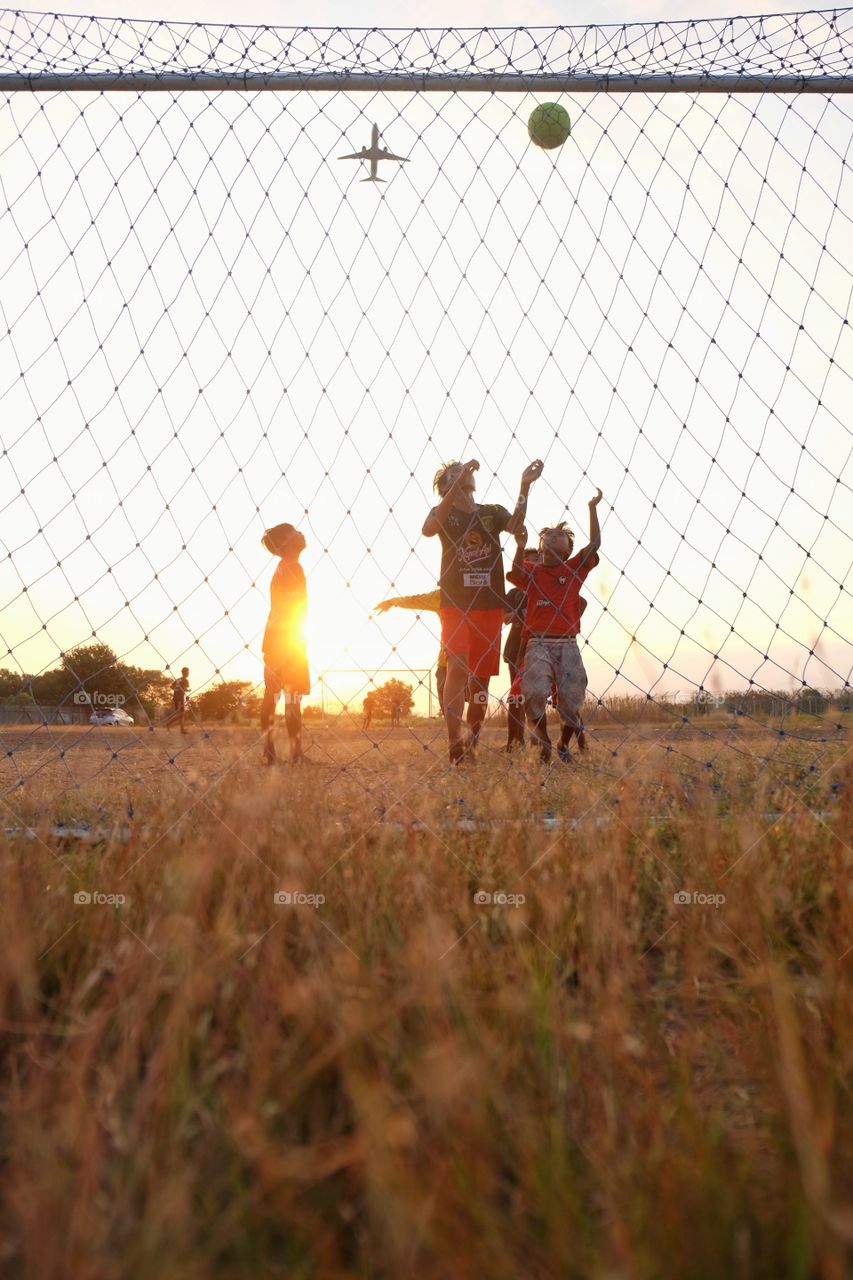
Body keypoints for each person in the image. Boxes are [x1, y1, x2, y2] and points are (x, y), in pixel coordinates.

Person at [422, 457, 543, 764]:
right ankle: (454, 743)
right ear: (445, 486)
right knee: (458, 668)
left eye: (464, 470)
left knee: (480, 681)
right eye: (454, 472)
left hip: (489, 605)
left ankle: (471, 742)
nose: (464, 472)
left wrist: (524, 487)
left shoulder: (491, 513)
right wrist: (452, 489)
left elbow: (516, 525)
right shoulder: (443, 513)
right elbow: (428, 529)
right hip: (455, 604)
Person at [510, 489, 603, 763]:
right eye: (547, 535)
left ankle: (564, 743)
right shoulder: (532, 571)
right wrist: (518, 545)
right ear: (540, 548)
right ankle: (544, 743)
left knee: (572, 702)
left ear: (568, 550)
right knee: (534, 694)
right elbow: (515, 571)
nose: (553, 536)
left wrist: (592, 508)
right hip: (537, 643)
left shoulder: (575, 569)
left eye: (559, 535)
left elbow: (595, 543)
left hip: (568, 644)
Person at [259, 522, 310, 764]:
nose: (300, 532)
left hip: (282, 639)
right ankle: (286, 753)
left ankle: (277, 752)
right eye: (293, 531)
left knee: (279, 696)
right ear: (284, 543)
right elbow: (289, 609)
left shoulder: (286, 567)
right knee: (287, 696)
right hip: (286, 640)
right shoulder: (292, 568)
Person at [374, 589, 447, 716]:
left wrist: (392, 602)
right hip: (454, 659)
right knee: (452, 702)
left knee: (454, 700)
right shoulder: (442, 596)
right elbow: (414, 600)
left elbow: (414, 600)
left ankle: (466, 734)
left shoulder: (442, 596)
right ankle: (463, 734)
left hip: (453, 660)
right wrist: (393, 602)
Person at [164, 667, 190, 733]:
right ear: (186, 672)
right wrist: (187, 690)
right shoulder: (185, 680)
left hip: (176, 697)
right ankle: (168, 724)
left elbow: (171, 686)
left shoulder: (178, 679)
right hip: (179, 698)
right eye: (188, 672)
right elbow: (184, 688)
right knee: (181, 714)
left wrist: (176, 689)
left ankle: (182, 729)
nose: (189, 673)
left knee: (181, 713)